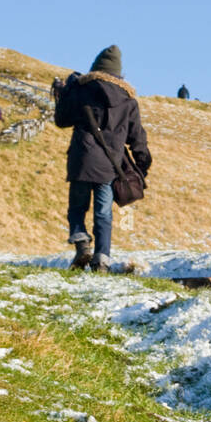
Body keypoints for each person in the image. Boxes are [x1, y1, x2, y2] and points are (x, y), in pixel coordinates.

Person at [53, 44, 151, 272]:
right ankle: (102, 259)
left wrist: (66, 92)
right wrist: (142, 162)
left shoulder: (81, 90)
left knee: (77, 207)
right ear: (119, 72)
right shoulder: (128, 100)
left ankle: (81, 242)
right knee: (103, 213)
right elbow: (137, 137)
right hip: (109, 165)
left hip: (81, 159)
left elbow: (61, 120)